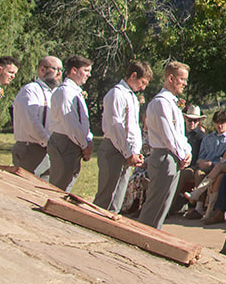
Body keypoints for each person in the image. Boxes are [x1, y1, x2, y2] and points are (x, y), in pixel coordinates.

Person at [139, 62, 193, 230]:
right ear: (171, 78)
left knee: (164, 203)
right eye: (182, 79)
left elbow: (180, 134)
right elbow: (168, 134)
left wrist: (187, 152)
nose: (185, 83)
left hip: (174, 155)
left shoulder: (172, 102)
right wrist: (181, 155)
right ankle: (142, 232)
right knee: (156, 202)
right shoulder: (161, 102)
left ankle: (153, 232)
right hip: (164, 155)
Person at [95, 60, 150, 212]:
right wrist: (127, 152)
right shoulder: (116, 94)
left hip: (127, 151)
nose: (143, 87)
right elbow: (116, 127)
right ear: (133, 75)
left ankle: (111, 219)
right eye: (142, 82)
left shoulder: (131, 96)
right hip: (115, 148)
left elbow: (133, 127)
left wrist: (135, 151)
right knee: (107, 194)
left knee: (118, 196)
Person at [45, 55, 94, 193]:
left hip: (74, 142)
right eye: (86, 70)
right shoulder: (65, 92)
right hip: (65, 142)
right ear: (74, 71)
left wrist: (88, 139)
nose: (89, 75)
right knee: (59, 186)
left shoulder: (75, 91)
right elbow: (70, 123)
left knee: (67, 184)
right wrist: (84, 145)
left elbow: (82, 121)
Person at [10, 56, 62, 175]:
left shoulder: (54, 93)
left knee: (44, 184)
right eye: (55, 69)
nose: (59, 73)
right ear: (42, 70)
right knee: (25, 184)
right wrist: (47, 141)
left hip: (48, 148)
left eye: (61, 70)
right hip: (30, 149)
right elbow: (30, 122)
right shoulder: (30, 90)